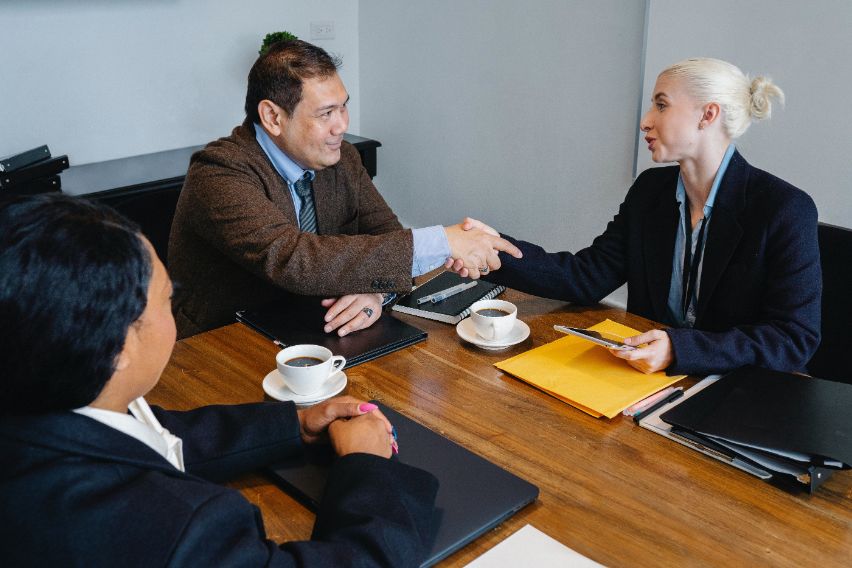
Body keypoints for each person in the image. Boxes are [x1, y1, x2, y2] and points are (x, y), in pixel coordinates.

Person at [0, 194, 438, 566]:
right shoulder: (176, 525)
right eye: (166, 298)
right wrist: (368, 467)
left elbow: (143, 432)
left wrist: (293, 425)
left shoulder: (39, 404)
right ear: (118, 348)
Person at [451, 58, 821, 377]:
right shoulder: (651, 192)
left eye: (661, 105)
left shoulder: (784, 209)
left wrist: (680, 349)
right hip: (642, 385)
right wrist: (494, 249)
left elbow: (792, 339)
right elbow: (586, 277)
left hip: (734, 397)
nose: (645, 121)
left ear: (708, 114)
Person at [169, 39, 520, 339]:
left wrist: (375, 294)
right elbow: (293, 259)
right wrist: (443, 241)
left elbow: (387, 236)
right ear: (273, 117)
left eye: (344, 106)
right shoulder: (219, 172)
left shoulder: (343, 158)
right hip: (221, 345)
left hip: (318, 330)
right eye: (326, 113)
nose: (343, 125)